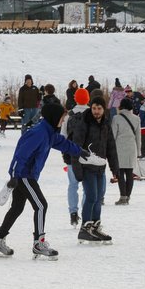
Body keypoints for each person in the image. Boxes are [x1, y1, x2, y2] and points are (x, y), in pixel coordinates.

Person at [0, 103, 87, 259]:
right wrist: (14, 175)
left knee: (17, 208)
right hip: (23, 175)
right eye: (61, 118)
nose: (62, 121)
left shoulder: (49, 132)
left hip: (27, 175)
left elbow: (62, 143)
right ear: (54, 117)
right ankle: (39, 243)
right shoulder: (38, 133)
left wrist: (79, 151)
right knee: (41, 206)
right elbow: (20, 154)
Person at [68, 95, 119, 243]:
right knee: (91, 196)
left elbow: (111, 148)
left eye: (99, 108)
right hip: (87, 167)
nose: (96, 111)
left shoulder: (105, 125)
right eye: (94, 108)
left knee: (98, 198)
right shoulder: (84, 123)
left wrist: (115, 169)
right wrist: (77, 170)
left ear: (104, 109)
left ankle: (95, 226)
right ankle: (85, 228)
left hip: (100, 168)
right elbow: (75, 148)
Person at [62, 87, 90, 227]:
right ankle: (86, 214)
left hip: (71, 154)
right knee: (87, 186)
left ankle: (73, 213)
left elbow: (63, 137)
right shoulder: (92, 114)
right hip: (88, 156)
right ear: (88, 99)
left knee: (73, 185)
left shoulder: (69, 115)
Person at [111, 97, 141, 205]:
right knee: (129, 173)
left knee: (120, 174)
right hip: (131, 148)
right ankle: (127, 197)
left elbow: (113, 135)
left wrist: (110, 151)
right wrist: (139, 151)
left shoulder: (116, 118)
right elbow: (138, 137)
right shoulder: (136, 119)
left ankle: (122, 197)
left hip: (119, 148)